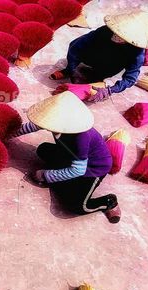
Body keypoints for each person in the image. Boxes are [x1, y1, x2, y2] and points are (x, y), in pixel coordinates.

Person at [14, 91, 121, 223]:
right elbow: (33, 126)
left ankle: (108, 202)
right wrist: (9, 134)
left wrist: (45, 175)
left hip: (91, 169)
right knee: (43, 149)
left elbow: (78, 170)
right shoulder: (53, 120)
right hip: (70, 156)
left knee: (75, 205)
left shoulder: (81, 137)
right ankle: (62, 180)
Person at [50, 11, 148, 103]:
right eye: (116, 32)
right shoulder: (104, 31)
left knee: (96, 81)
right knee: (76, 47)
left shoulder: (137, 52)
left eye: (122, 36)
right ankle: (68, 71)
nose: (116, 36)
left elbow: (130, 79)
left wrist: (110, 90)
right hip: (91, 57)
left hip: (110, 68)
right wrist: (71, 68)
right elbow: (76, 46)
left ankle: (97, 76)